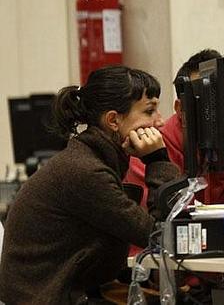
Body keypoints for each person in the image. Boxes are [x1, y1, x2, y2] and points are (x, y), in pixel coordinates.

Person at [0, 66, 180, 304]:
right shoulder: (85, 171)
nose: (160, 121)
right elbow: (158, 237)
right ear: (113, 120)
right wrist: (157, 160)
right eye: (150, 111)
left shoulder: (89, 158)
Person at [124, 49, 224, 208]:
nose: (223, 110)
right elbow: (156, 218)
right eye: (209, 100)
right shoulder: (150, 152)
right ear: (181, 109)